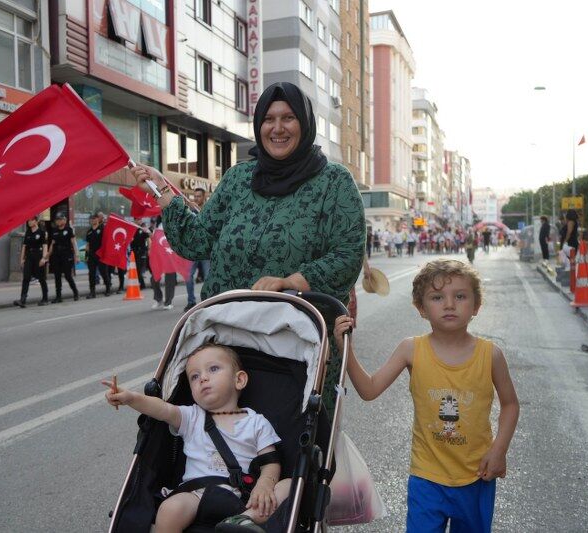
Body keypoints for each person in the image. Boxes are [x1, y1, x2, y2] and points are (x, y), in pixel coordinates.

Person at [131, 81, 365, 410]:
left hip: (297, 348)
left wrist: (290, 281)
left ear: (305, 123)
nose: (277, 128)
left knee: (294, 433)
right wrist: (165, 193)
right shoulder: (239, 179)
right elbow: (196, 240)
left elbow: (347, 255)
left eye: (288, 118)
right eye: (268, 119)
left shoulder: (334, 182)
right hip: (226, 343)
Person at [333, 259, 519, 531]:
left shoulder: (491, 355)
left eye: (460, 296)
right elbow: (369, 389)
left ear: (476, 306)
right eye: (437, 297)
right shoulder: (411, 349)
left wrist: (499, 449)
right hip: (426, 478)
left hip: (477, 476)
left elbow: (510, 404)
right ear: (421, 308)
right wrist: (346, 350)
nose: (449, 304)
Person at [103, 343, 290, 533]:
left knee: (289, 486)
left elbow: (270, 461)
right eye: (194, 376)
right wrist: (131, 398)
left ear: (239, 380)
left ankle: (243, 520)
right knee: (170, 509)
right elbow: (162, 409)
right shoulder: (192, 417)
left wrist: (265, 484)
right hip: (196, 496)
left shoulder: (257, 422)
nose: (203, 378)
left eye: (213, 369)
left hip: (242, 499)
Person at [184, 186, 211, 312]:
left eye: (198, 196)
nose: (196, 198)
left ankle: (208, 302)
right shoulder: (190, 210)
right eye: (194, 196)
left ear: (204, 197)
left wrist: (199, 210)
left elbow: (210, 225)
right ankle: (191, 302)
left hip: (205, 251)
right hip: (193, 250)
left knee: (207, 278)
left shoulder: (209, 208)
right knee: (188, 276)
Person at [13, 216, 49, 308]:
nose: (29, 222)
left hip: (38, 256)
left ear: (36, 221)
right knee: (26, 277)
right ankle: (23, 300)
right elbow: (24, 246)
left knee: (41, 278)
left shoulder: (41, 232)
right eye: (28, 220)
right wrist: (22, 259)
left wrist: (44, 258)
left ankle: (45, 298)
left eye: (31, 220)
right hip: (29, 257)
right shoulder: (28, 232)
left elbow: (45, 246)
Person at [48, 212, 79, 302]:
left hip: (67, 255)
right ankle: (58, 296)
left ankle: (75, 292)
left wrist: (77, 255)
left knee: (67, 275)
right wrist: (47, 255)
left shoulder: (69, 230)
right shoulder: (54, 231)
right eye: (57, 220)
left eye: (60, 219)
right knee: (57, 276)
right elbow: (52, 244)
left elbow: (74, 243)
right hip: (57, 255)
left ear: (64, 220)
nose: (58, 221)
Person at [150, 217, 177, 310]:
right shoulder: (157, 226)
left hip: (170, 255)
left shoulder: (172, 223)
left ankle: (168, 302)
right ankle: (159, 299)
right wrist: (150, 234)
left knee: (169, 279)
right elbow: (155, 241)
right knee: (154, 279)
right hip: (159, 255)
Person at [85, 214, 111, 298]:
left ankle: (108, 289)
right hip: (92, 255)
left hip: (101, 254)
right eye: (92, 219)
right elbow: (88, 244)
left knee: (104, 272)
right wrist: (86, 255)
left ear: (98, 219)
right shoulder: (89, 231)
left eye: (95, 218)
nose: (93, 220)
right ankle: (92, 292)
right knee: (91, 274)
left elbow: (107, 241)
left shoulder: (102, 229)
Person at [130, 218, 150, 290]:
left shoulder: (142, 229)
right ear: (135, 220)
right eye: (138, 220)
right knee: (136, 269)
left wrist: (149, 249)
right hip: (134, 251)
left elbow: (148, 238)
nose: (140, 221)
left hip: (142, 251)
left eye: (140, 220)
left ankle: (143, 284)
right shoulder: (132, 228)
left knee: (140, 268)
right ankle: (141, 283)